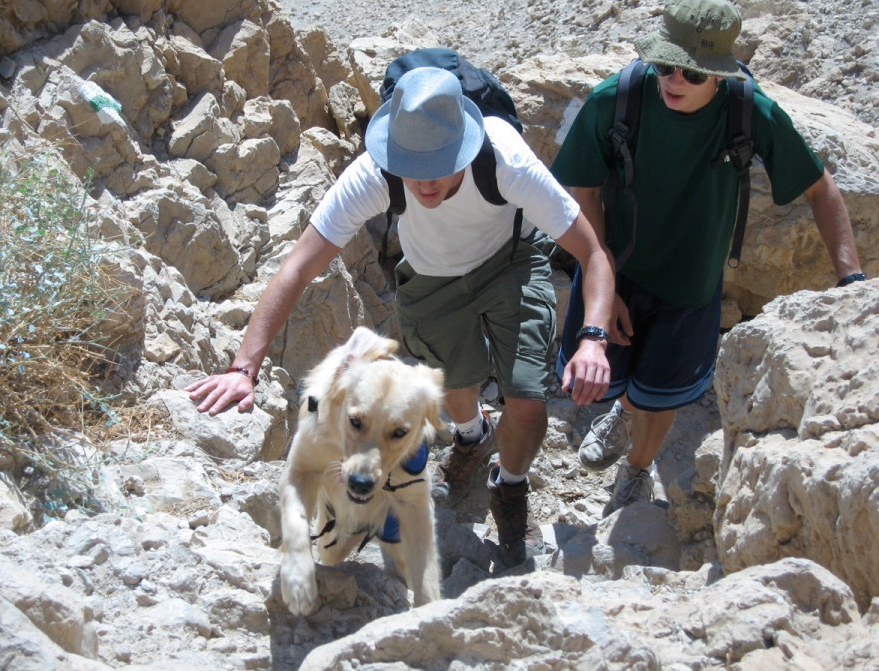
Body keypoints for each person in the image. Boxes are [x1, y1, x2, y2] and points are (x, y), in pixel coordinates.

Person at [187, 65, 619, 568]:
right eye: (412, 166)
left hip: (510, 261)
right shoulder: (377, 172)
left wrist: (593, 340)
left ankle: (511, 488)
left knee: (526, 396)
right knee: (453, 381)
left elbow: (593, 254)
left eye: (438, 165)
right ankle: (473, 438)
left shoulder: (505, 159)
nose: (424, 182)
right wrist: (244, 368)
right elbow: (299, 266)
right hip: (433, 278)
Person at [550, 0, 866, 518]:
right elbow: (579, 196)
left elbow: (820, 188)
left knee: (663, 394)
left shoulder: (749, 110)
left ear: (721, 73)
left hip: (691, 287)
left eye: (692, 73)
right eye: (665, 65)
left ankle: (636, 468)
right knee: (623, 382)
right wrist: (602, 292)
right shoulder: (616, 100)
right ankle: (625, 412)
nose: (674, 81)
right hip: (617, 271)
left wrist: (852, 284)